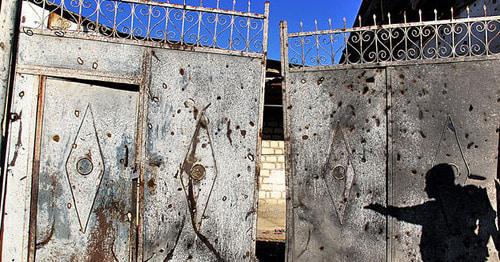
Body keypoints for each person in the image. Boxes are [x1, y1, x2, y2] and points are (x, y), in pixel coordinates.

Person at [366, 163, 499, 261]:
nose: (425, 188)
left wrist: (384, 210)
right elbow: (488, 219)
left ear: (438, 184)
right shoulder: (469, 197)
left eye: (428, 183)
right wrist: (479, 244)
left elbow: (407, 214)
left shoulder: (432, 211)